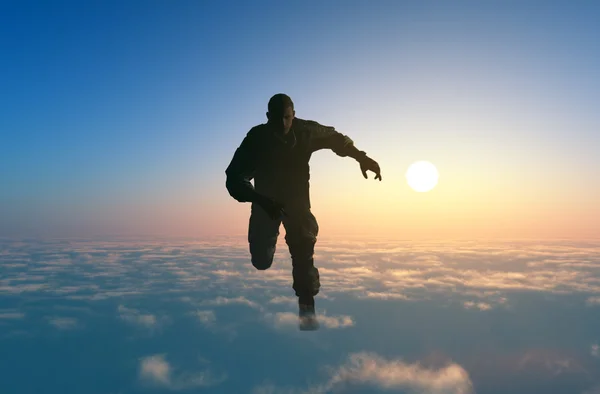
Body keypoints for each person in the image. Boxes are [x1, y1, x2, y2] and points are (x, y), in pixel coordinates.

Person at [225, 93, 382, 329]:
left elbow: (335, 139)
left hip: (296, 206)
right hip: (264, 205)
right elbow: (234, 178)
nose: (283, 124)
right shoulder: (256, 138)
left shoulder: (306, 131)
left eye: (287, 118)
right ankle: (268, 243)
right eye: (277, 119)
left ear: (294, 115)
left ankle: (307, 309)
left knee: (303, 249)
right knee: (261, 261)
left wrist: (361, 156)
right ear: (268, 117)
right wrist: (262, 200)